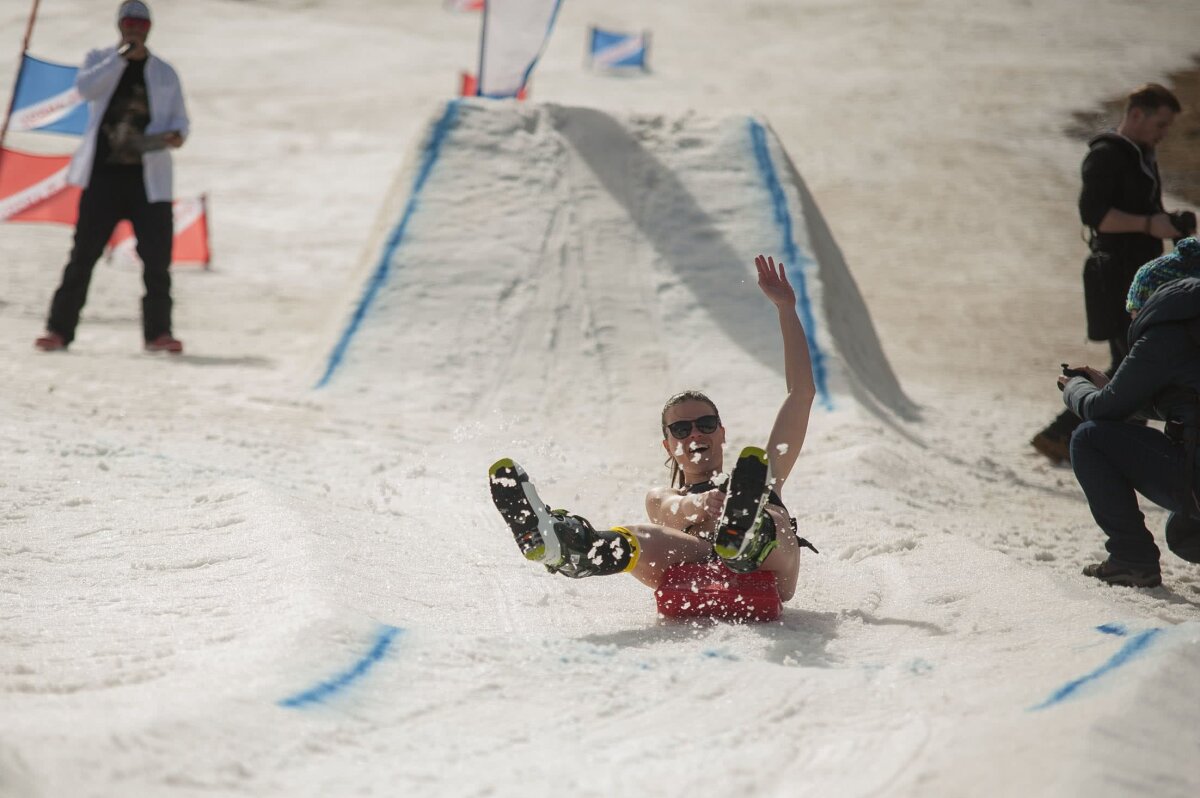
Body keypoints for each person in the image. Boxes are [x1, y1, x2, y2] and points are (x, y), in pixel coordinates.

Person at [488, 254, 817, 602]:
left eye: (705, 424)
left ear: (722, 432)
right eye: (681, 429)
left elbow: (801, 393)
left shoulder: (760, 479)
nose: (694, 435)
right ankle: (562, 543)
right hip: (698, 558)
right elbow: (672, 511)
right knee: (640, 535)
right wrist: (700, 505)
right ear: (668, 445)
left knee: (769, 507)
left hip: (771, 566)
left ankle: (748, 531)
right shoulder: (664, 498)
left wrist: (786, 309)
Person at [1032, 83, 1196, 464]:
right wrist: (1149, 225)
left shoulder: (1142, 155)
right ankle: (1083, 440)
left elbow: (1147, 214)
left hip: (1139, 275)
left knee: (1128, 362)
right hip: (1115, 272)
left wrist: (1171, 224)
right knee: (1134, 364)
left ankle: (1063, 436)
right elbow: (1096, 216)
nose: (1163, 133)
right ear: (1136, 113)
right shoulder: (1106, 155)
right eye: (1161, 123)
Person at [34, 0, 189, 354]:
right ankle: (59, 330)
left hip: (148, 181)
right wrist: (121, 59)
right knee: (83, 256)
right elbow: (86, 89)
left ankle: (158, 333)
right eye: (129, 23)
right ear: (120, 26)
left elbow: (181, 120)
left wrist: (176, 136)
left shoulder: (165, 72)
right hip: (104, 177)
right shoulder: (100, 60)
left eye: (141, 25)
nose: (135, 30)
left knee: (157, 261)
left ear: (150, 29)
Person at [1060, 237, 1200, 587]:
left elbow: (1101, 409)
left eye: (1134, 309)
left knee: (1089, 439)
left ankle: (1132, 558)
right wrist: (1119, 389)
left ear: (1154, 299)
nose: (1133, 318)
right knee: (1184, 533)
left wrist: (1076, 388)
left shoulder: (1168, 331)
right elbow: (1188, 397)